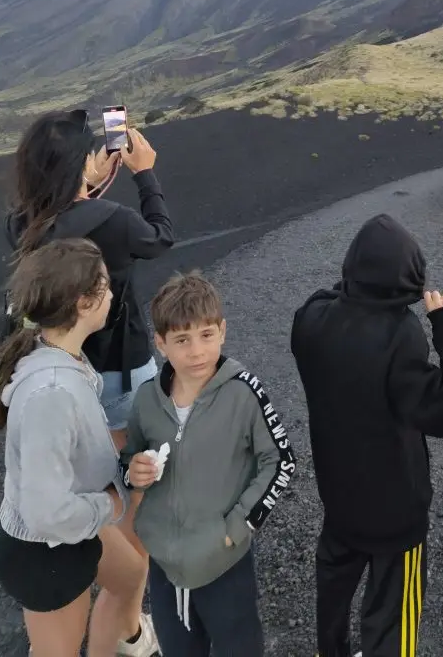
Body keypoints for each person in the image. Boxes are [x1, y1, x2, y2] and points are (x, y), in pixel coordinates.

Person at [5, 108, 174, 657]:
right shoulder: (114, 221)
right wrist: (144, 174)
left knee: (77, 477)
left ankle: (121, 614)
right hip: (119, 373)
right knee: (120, 496)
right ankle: (124, 617)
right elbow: (159, 238)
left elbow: (68, 212)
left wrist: (87, 183)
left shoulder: (24, 223)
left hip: (73, 357)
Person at [291, 213, 443, 657]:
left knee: (333, 597)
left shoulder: (310, 321)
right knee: (393, 618)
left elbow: (329, 295)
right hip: (397, 514)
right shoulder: (402, 336)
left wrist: (358, 292)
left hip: (339, 501)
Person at [0, 238, 148, 657]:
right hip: (46, 553)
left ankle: (116, 646)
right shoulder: (51, 393)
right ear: (83, 302)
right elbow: (46, 515)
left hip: (75, 523)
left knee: (129, 576)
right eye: (106, 286)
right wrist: (111, 506)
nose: (113, 294)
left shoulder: (66, 357)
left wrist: (120, 466)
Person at [120, 271, 296, 657]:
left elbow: (281, 460)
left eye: (206, 335)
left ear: (223, 331)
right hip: (165, 567)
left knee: (239, 647)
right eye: (182, 340)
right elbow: (127, 457)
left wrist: (237, 526)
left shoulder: (244, 392)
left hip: (224, 561)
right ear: (161, 343)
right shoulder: (148, 399)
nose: (196, 351)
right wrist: (133, 470)